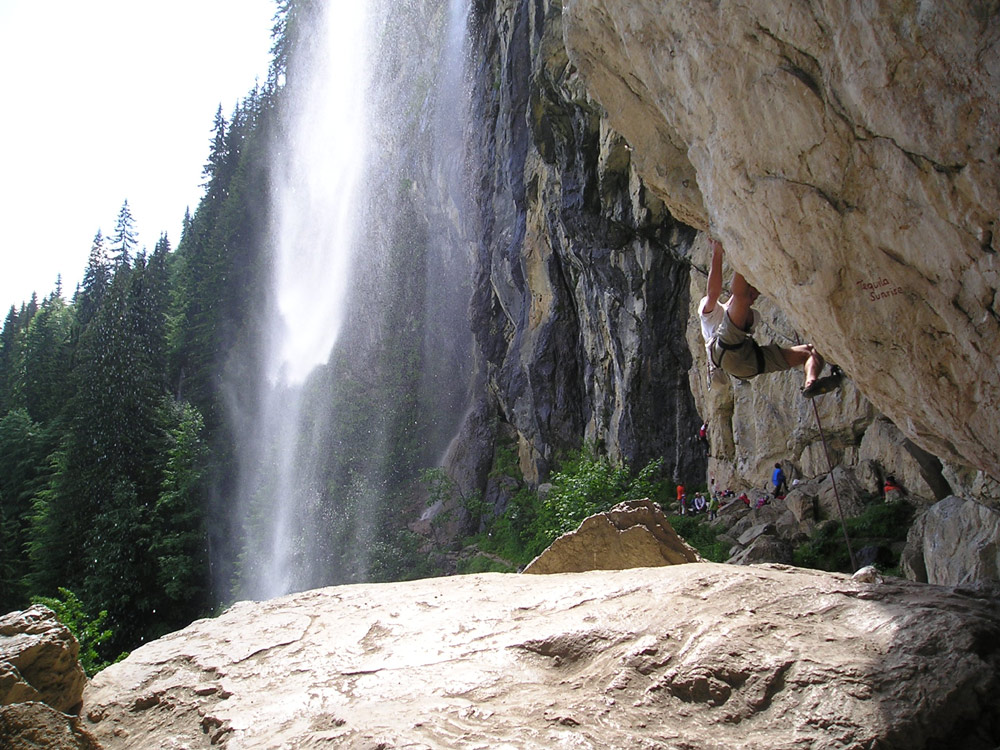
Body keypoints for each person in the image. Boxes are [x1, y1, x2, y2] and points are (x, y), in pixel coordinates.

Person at [699, 238, 842, 397]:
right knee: (741, 298)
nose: (755, 297)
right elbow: (715, 292)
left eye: (757, 294)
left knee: (811, 352)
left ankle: (811, 383)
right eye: (754, 290)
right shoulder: (710, 313)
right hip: (724, 351)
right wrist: (718, 254)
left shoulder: (753, 315)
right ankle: (743, 260)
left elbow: (742, 303)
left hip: (745, 366)